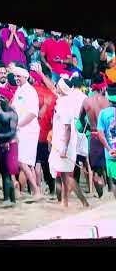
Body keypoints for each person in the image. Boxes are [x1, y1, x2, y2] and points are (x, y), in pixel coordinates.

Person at [49, 78, 89, 207]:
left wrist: (64, 148)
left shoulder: (64, 104)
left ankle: (84, 202)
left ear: (62, 88)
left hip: (64, 144)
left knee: (66, 176)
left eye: (58, 85)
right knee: (63, 176)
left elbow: (67, 128)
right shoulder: (64, 100)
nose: (56, 86)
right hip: (61, 142)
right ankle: (64, 203)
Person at [12, 64, 42, 200]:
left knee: (23, 162)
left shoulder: (30, 91)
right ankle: (36, 191)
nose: (16, 78)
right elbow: (13, 108)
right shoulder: (19, 90)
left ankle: (36, 191)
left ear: (25, 77)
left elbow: (33, 113)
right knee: (25, 162)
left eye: (18, 76)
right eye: (15, 76)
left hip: (28, 130)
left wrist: (18, 125)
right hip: (20, 129)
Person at [80, 74, 110, 197]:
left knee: (96, 171)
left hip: (93, 136)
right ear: (103, 87)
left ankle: (100, 195)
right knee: (109, 168)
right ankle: (110, 194)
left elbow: (81, 119)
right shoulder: (106, 102)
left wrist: (87, 125)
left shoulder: (86, 101)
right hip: (107, 137)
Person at [29, 69, 57, 196]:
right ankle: (51, 189)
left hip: (32, 134)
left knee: (31, 165)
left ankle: (34, 190)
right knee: (46, 164)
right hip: (46, 135)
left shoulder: (30, 92)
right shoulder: (51, 94)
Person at [0, 87, 19, 206]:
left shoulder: (12, 114)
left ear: (6, 100)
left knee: (7, 174)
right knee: (3, 173)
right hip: (1, 145)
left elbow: (12, 132)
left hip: (9, 145)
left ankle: (7, 200)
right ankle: (11, 201)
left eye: (0, 98)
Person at [96, 84, 116, 200]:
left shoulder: (104, 113)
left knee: (114, 180)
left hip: (111, 153)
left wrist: (109, 149)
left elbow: (100, 134)